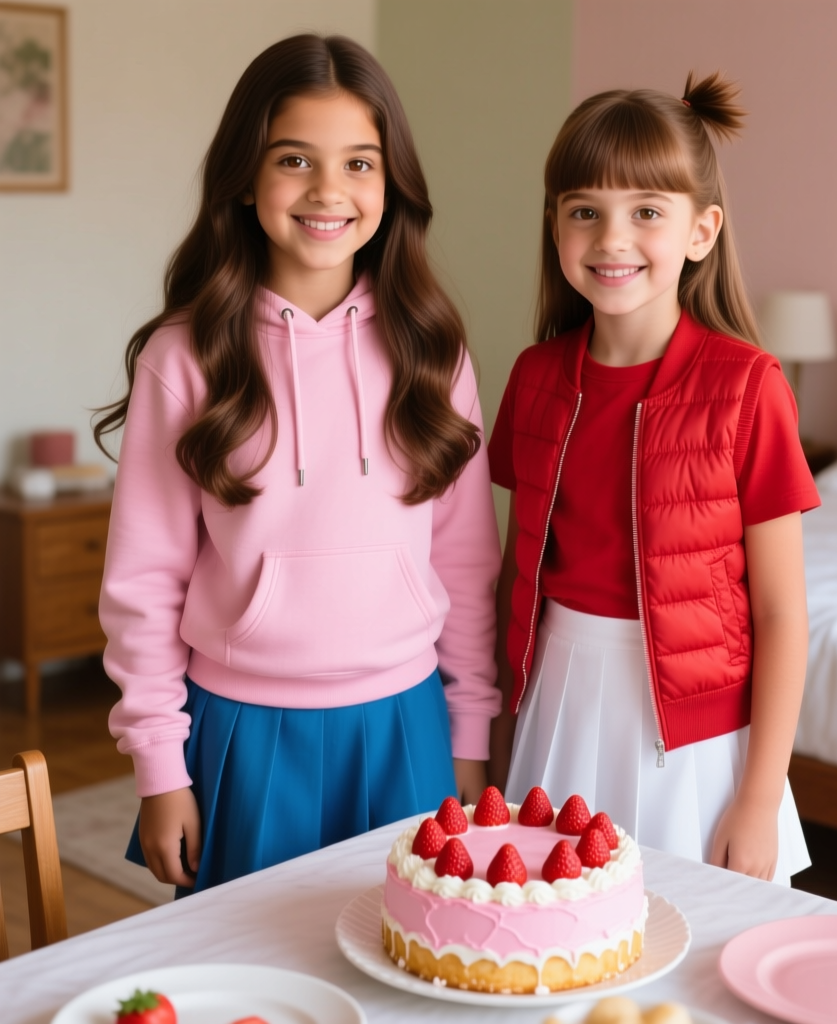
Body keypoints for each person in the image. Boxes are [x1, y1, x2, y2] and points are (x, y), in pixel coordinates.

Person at [94, 35, 500, 894]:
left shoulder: (434, 352)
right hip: (241, 730)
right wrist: (161, 769)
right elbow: (143, 582)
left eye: (360, 162)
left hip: (407, 724)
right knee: (248, 981)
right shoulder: (186, 357)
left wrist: (469, 733)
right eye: (294, 160)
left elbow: (465, 563)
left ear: (391, 185)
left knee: (410, 968)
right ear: (246, 177)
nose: (328, 191)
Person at [487, 76, 819, 884]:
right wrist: (495, 736)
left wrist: (759, 796)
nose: (612, 238)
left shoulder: (748, 386)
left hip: (695, 741)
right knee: (546, 933)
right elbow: (514, 572)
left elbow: (781, 613)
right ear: (555, 226)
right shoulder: (534, 377)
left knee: (687, 951)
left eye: (646, 212)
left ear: (701, 231)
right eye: (584, 211)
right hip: (555, 704)